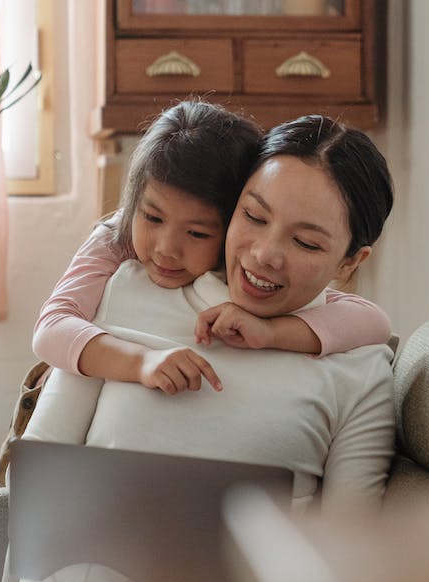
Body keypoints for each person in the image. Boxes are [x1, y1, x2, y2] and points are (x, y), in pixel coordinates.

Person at [6, 114, 397, 582]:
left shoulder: (361, 366)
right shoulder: (124, 290)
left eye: (305, 243)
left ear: (350, 261)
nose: (264, 254)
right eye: (254, 217)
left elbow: (348, 554)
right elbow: (41, 477)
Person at [32, 100, 391, 396]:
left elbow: (373, 321)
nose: (167, 249)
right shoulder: (118, 235)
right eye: (153, 218)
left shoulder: (244, 253)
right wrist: (141, 362)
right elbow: (51, 328)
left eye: (198, 234)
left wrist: (272, 333)